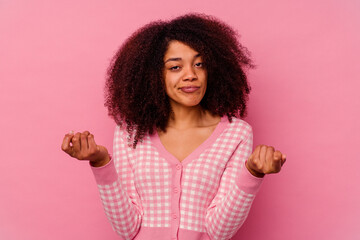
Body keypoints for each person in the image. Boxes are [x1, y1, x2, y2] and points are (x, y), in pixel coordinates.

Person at [61, 13, 286, 240]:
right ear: (154, 75)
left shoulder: (236, 134)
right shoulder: (130, 133)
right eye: (175, 67)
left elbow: (220, 232)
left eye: (199, 64)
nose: (191, 75)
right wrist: (100, 162)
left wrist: (253, 173)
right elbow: (127, 228)